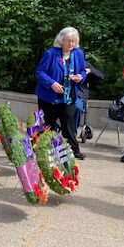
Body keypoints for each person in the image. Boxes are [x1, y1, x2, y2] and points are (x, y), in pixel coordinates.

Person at [35, 27, 87, 159]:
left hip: (69, 97)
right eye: (68, 41)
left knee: (69, 125)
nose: (71, 44)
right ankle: (51, 152)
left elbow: (82, 71)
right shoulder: (51, 54)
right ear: (61, 40)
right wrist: (51, 83)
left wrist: (80, 77)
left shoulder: (78, 53)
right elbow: (40, 72)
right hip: (49, 98)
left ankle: (74, 150)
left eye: (73, 42)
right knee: (50, 126)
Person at [75, 59, 104, 136]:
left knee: (77, 107)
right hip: (62, 93)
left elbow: (100, 76)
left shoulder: (83, 64)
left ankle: (72, 132)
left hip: (79, 94)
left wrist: (90, 70)